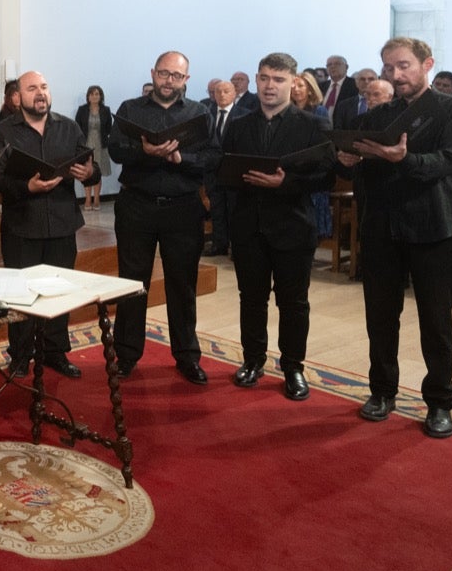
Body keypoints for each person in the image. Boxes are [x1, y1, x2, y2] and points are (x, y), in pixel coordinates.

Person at [337, 36, 452, 439]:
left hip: (435, 226)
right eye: (389, 68)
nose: (395, 75)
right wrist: (346, 159)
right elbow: (358, 169)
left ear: (427, 64)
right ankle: (381, 391)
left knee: (436, 320)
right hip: (382, 225)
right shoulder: (378, 115)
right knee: (380, 317)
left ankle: (439, 402)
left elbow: (449, 161)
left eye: (404, 66)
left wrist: (403, 158)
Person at [225, 54, 334, 400]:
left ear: (293, 82)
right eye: (265, 78)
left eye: (279, 79)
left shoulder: (312, 125)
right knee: (251, 299)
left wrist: (285, 184)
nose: (270, 86)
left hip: (293, 225)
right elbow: (225, 170)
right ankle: (253, 360)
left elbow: (326, 176)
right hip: (248, 225)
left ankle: (293, 367)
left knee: (293, 302)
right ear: (256, 80)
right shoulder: (239, 124)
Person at [107, 51, 219, 384]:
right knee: (131, 283)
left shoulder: (199, 113)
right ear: (153, 73)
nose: (168, 81)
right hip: (136, 205)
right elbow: (115, 150)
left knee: (182, 283)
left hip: (183, 207)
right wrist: (145, 151)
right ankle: (126, 354)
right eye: (163, 74)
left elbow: (213, 157)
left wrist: (180, 157)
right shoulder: (131, 109)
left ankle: (186, 355)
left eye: (176, 76)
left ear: (186, 79)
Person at [0, 71, 96, 378]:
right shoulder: (4, 132)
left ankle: (55, 353)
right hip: (22, 225)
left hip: (62, 223)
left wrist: (90, 173)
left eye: (44, 87)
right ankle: (20, 356)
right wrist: (27, 188)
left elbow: (91, 166)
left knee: (58, 294)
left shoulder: (68, 127)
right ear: (18, 97)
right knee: (23, 295)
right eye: (32, 88)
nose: (40, 93)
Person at [289, 70, 334, 238]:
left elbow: (323, 144)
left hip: (313, 167)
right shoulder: (287, 111)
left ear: (310, 89)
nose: (296, 89)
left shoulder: (319, 111)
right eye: (293, 86)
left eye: (301, 86)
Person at [204, 80, 238, 255]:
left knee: (234, 210)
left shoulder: (243, 115)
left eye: (226, 91)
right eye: (218, 92)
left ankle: (236, 246)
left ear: (234, 93)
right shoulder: (207, 114)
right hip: (213, 171)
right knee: (216, 209)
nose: (222, 95)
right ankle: (219, 244)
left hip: (233, 172)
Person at [74, 85, 113, 212]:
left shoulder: (106, 110)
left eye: (97, 94)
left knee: (98, 172)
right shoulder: (82, 110)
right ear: (88, 97)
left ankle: (96, 199)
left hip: (100, 145)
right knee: (86, 172)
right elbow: (77, 127)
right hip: (86, 145)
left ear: (101, 96)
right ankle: (87, 199)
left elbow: (108, 128)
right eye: (92, 94)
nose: (94, 96)